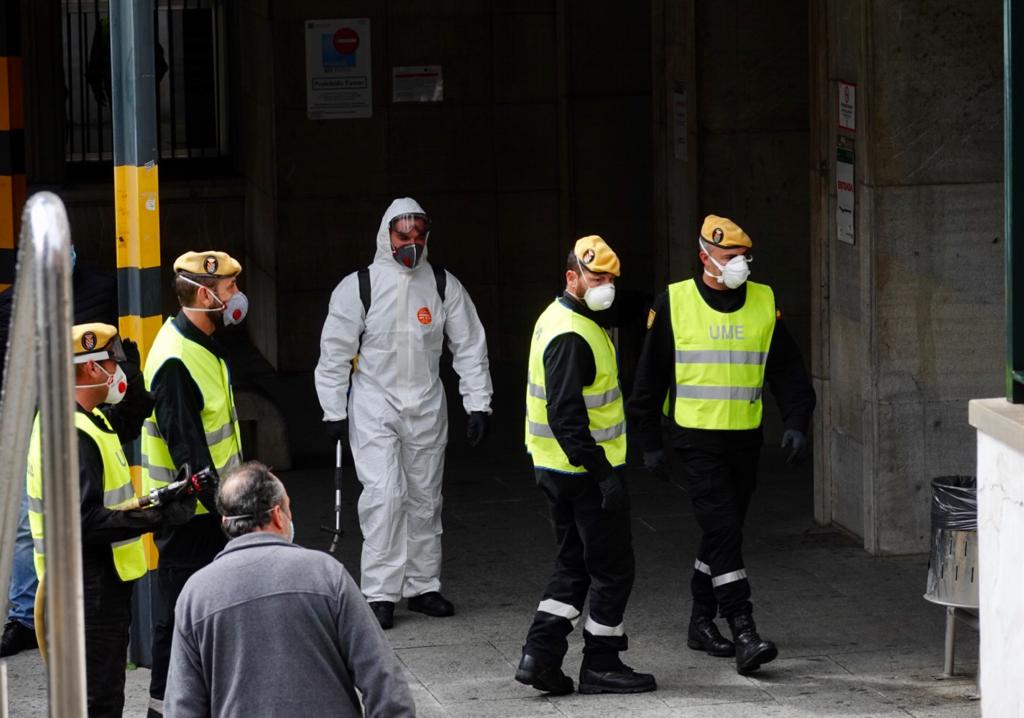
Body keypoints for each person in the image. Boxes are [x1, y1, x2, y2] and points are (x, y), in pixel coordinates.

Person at [627, 215, 816, 675]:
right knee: (725, 530)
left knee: (721, 533)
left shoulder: (764, 301)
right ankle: (743, 627)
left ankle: (699, 621)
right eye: (731, 257)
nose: (740, 265)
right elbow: (648, 377)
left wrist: (795, 420)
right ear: (706, 256)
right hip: (694, 438)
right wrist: (649, 441)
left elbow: (787, 367)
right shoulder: (675, 302)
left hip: (744, 440)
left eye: (744, 257)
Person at [315, 197, 493, 630]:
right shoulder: (360, 286)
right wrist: (333, 410)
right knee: (384, 497)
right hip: (375, 405)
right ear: (386, 236)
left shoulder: (443, 284)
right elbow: (335, 352)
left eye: (418, 234)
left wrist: (478, 401)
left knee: (425, 499)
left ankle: (422, 585)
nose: (411, 242)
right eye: (402, 234)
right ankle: (379, 592)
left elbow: (469, 345)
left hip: (427, 404)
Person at [26, 323, 192, 716]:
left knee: (99, 694)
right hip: (87, 589)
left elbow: (128, 420)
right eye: (109, 362)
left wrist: (132, 382)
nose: (115, 369)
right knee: (98, 700)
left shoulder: (88, 418)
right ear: (87, 370)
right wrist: (156, 516)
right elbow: (85, 521)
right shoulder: (73, 434)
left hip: (95, 583)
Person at [516, 236, 657, 696]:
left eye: (611, 279)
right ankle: (602, 662)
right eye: (597, 278)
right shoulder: (573, 335)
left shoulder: (558, 317)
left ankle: (539, 656)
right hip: (583, 473)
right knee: (614, 569)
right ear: (572, 278)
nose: (606, 287)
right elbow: (566, 415)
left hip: (556, 468)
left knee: (572, 565)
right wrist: (602, 474)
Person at [164, 461, 416, 718]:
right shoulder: (326, 574)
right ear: (276, 515)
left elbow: (182, 707)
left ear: (226, 522)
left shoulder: (196, 594)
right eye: (288, 508)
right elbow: (385, 682)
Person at [142, 251, 247, 717]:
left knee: (210, 617)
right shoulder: (175, 360)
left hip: (209, 512)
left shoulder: (200, 344)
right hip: (191, 517)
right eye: (228, 288)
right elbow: (190, 456)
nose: (236, 296)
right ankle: (161, 709)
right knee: (182, 617)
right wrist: (230, 511)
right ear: (205, 294)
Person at [2, 246, 118, 658]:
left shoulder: (102, 290)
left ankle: (85, 603)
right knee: (24, 522)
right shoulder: (13, 305)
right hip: (33, 427)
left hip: (87, 422)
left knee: (99, 512)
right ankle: (24, 616)